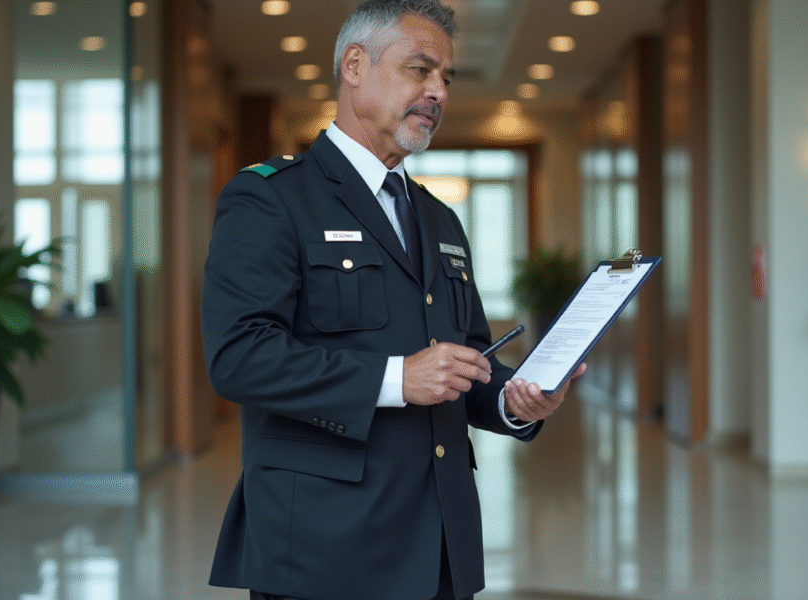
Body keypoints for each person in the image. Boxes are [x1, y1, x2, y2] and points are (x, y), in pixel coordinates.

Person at [201, 1, 584, 599]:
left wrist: (515, 401)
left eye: (447, 79)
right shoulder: (271, 199)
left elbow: (469, 357)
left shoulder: (439, 219)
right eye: (420, 70)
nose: (438, 92)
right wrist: (395, 378)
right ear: (354, 66)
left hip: (437, 546)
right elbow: (240, 357)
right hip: (323, 549)